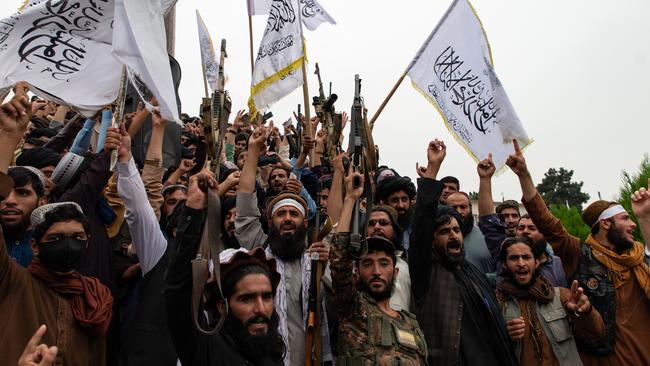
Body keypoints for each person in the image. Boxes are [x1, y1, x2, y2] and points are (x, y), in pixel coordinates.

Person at [506, 139, 650, 365]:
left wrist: (644, 216)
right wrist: (524, 175)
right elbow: (547, 223)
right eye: (625, 218)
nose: (632, 225)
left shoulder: (639, 260)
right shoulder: (580, 255)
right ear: (605, 224)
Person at [409, 139, 517, 366]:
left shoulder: (472, 273)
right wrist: (433, 169)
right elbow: (421, 225)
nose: (454, 236)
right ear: (432, 239)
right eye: (445, 231)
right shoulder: (426, 273)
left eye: (456, 230)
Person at [164, 170, 285, 365]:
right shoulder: (206, 348)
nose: (261, 308)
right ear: (222, 306)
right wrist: (194, 210)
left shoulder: (270, 351)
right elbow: (177, 290)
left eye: (267, 296)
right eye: (247, 299)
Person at [235, 124, 332, 365]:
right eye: (281, 214)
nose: (287, 218)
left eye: (294, 214)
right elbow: (246, 208)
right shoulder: (259, 252)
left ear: (303, 222)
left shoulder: (317, 262)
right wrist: (252, 154)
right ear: (271, 222)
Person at [330, 168, 427, 365]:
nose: (376, 271)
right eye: (367, 263)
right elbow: (339, 259)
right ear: (356, 272)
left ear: (396, 271)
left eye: (384, 263)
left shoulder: (411, 324)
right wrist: (350, 198)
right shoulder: (354, 310)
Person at [496, 236, 604, 365]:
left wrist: (584, 313)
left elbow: (596, 333)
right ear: (504, 264)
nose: (521, 263)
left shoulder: (561, 296)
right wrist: (504, 335)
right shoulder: (498, 302)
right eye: (514, 258)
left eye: (526, 257)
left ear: (536, 263)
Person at [477, 154, 567, 287]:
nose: (525, 232)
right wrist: (485, 179)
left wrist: (523, 174)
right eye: (521, 228)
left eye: (532, 228)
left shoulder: (559, 263)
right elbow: (488, 221)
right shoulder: (504, 251)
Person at [367, 205, 411, 311]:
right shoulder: (355, 265)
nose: (376, 227)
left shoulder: (407, 265)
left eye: (383, 223)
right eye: (371, 224)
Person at [1, 166, 47, 267]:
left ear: (42, 202)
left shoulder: (50, 246)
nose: (10, 201)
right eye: (3, 193)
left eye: (23, 193)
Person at [446, 190, 494, 273]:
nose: (459, 212)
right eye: (454, 208)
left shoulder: (487, 236)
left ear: (470, 208)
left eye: (463, 207)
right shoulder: (438, 239)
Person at [376, 175, 416, 254]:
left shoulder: (418, 227)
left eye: (404, 199)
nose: (400, 205)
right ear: (384, 202)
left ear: (411, 201)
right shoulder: (377, 229)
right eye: (394, 200)